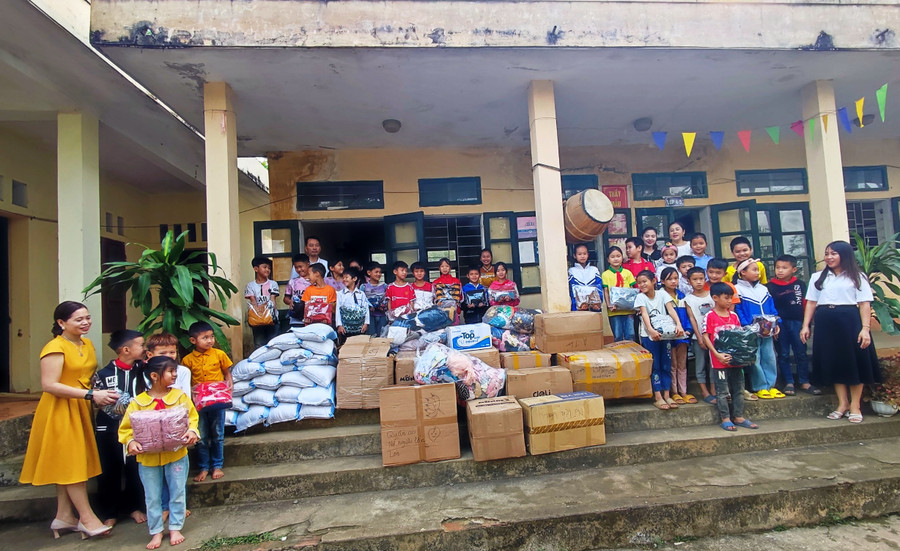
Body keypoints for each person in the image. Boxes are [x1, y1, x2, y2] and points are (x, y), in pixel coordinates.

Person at [19, 302, 117, 540]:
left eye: (88, 317)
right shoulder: (55, 347)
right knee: (72, 465)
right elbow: (49, 385)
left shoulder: (87, 343)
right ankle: (87, 518)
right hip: (59, 410)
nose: (86, 323)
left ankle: (64, 515)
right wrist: (91, 395)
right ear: (61, 323)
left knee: (69, 461)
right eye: (78, 319)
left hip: (80, 407)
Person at [119, 356, 199, 550]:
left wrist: (192, 432)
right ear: (154, 376)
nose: (175, 375)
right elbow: (125, 429)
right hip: (147, 459)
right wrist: (131, 442)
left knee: (177, 492)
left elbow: (193, 418)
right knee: (152, 496)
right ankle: (155, 531)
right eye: (170, 372)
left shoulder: (180, 397)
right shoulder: (138, 402)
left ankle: (175, 527)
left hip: (177, 455)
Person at [800, 240, 881, 424]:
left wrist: (865, 329)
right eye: (827, 253)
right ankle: (842, 403)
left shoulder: (857, 276)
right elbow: (811, 302)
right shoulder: (817, 277)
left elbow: (864, 304)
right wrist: (806, 326)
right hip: (825, 322)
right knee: (833, 361)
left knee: (854, 361)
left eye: (833, 253)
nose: (829, 257)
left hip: (850, 321)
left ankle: (855, 406)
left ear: (844, 255)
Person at [92, 329, 147, 527]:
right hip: (108, 428)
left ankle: (135, 507)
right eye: (141, 345)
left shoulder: (144, 370)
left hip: (137, 428)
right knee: (109, 470)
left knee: (135, 468)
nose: (144, 349)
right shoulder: (104, 374)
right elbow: (101, 402)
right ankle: (110, 512)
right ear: (125, 349)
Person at [144, 333, 194, 524]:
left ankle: (177, 507)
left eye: (172, 352)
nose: (169, 355)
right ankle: (164, 507)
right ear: (149, 354)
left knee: (176, 470)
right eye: (162, 352)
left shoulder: (182, 372)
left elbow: (185, 398)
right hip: (152, 427)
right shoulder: (147, 372)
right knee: (156, 470)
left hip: (175, 424)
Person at [181, 321, 232, 482]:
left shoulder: (219, 354)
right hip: (199, 402)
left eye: (211, 337)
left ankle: (217, 465)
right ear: (193, 341)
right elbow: (186, 381)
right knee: (201, 435)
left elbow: (226, 372)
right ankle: (203, 467)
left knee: (217, 433)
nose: (210, 341)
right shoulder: (188, 360)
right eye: (205, 338)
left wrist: (229, 383)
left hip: (217, 400)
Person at [704, 283, 759, 431]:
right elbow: (706, 337)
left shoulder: (734, 315)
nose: (729, 301)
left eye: (731, 298)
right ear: (715, 298)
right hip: (719, 361)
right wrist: (717, 354)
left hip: (736, 360)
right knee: (722, 391)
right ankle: (725, 418)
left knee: (739, 388)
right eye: (726, 298)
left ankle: (739, 416)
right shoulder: (710, 316)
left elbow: (738, 336)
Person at [634, 270, 685, 410]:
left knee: (666, 364)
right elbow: (644, 314)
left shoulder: (662, 294)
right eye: (639, 283)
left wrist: (678, 325)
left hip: (665, 334)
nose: (642, 285)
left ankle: (667, 395)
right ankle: (658, 396)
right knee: (655, 365)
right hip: (649, 335)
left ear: (653, 281)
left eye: (644, 281)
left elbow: (671, 310)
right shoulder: (640, 297)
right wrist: (650, 330)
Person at [767, 254, 818, 396]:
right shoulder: (770, 287)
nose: (780, 271)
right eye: (778, 268)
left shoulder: (800, 284)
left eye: (784, 268)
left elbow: (806, 303)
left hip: (798, 323)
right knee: (783, 353)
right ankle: (788, 381)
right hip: (780, 324)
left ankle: (804, 381)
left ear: (794, 269)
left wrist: (806, 325)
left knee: (801, 352)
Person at [734, 259, 783, 399]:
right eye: (754, 270)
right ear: (743, 272)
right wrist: (746, 325)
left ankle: (771, 385)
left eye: (758, 270)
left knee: (770, 356)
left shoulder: (764, 289)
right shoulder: (738, 289)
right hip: (750, 330)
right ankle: (760, 386)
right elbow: (739, 309)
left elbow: (772, 307)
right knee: (755, 358)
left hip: (767, 329)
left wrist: (776, 322)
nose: (757, 273)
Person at [660, 268, 695, 404]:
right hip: (669, 334)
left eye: (675, 278)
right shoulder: (660, 296)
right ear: (662, 281)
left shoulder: (682, 296)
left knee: (682, 364)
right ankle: (674, 392)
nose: (673, 281)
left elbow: (688, 315)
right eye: (669, 279)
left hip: (683, 334)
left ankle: (684, 391)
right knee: (672, 364)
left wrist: (687, 329)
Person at [684, 267, 716, 404]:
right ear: (689, 281)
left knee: (714, 364)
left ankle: (715, 390)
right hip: (699, 338)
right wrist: (699, 336)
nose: (698, 282)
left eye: (701, 279)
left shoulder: (712, 296)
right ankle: (704, 391)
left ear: (705, 279)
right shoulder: (688, 299)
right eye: (695, 279)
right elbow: (692, 319)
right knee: (700, 364)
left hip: (714, 336)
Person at [601, 246, 636, 342]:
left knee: (630, 334)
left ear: (622, 257)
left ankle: (631, 354)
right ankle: (620, 355)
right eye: (612, 257)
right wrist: (609, 305)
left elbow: (632, 290)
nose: (616, 259)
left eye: (618, 256)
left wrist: (634, 305)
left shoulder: (627, 273)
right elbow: (606, 291)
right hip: (614, 310)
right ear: (608, 259)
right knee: (617, 335)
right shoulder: (605, 274)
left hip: (628, 310)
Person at [244, 256, 280, 350]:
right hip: (257, 320)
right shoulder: (250, 285)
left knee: (273, 344)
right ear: (256, 269)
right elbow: (253, 301)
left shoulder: (273, 284)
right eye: (264, 267)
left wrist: (263, 309)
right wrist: (259, 311)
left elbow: (272, 300)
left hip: (272, 318)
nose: (267, 270)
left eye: (269, 268)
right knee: (259, 344)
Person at [335, 267, 370, 339]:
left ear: (354, 279)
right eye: (343, 277)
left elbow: (366, 309)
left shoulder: (361, 294)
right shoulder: (340, 294)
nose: (344, 279)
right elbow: (338, 310)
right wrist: (339, 325)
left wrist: (366, 323)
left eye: (347, 277)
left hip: (359, 327)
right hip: (346, 328)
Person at [568, 243, 603, 312]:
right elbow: (571, 290)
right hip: (579, 307)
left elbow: (599, 287)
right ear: (575, 256)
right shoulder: (572, 271)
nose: (582, 256)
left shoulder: (594, 270)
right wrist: (577, 304)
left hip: (594, 306)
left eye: (584, 253)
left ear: (588, 255)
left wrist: (597, 303)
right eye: (579, 254)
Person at [284, 254, 311, 327]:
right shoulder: (292, 282)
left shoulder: (314, 282)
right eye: (296, 267)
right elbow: (286, 298)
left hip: (311, 319)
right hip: (295, 319)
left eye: (301, 266)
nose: (299, 270)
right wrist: (290, 302)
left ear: (308, 264)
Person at [362, 262, 388, 336]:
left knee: (382, 336)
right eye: (376, 272)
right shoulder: (364, 286)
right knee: (371, 336)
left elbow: (387, 299)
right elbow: (361, 301)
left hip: (382, 315)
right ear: (369, 272)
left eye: (380, 272)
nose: (378, 274)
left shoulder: (384, 286)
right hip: (369, 316)